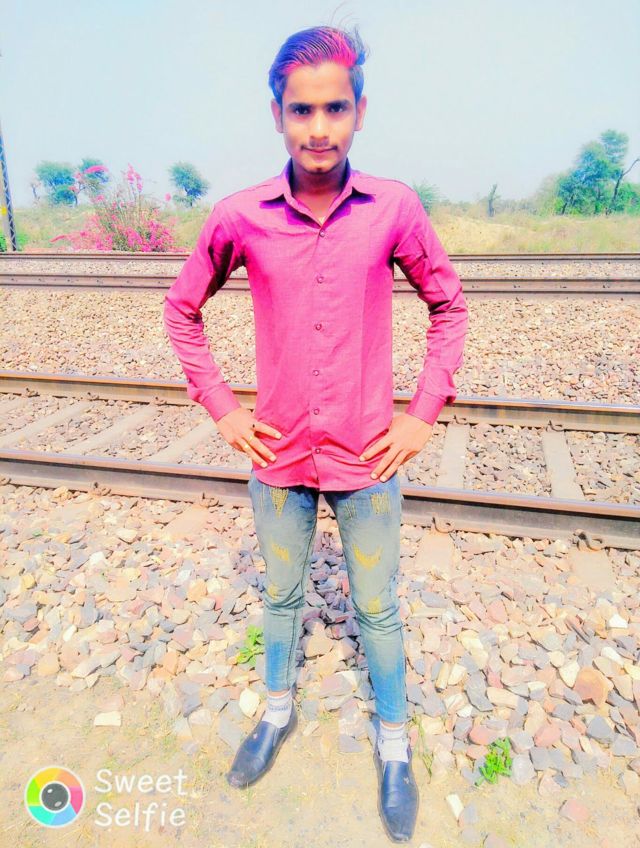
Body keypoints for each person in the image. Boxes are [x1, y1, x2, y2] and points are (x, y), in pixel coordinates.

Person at [163, 23, 468, 844]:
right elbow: (182, 310)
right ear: (277, 115)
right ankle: (276, 713)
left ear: (361, 110)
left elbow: (449, 306)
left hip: (367, 457)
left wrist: (420, 414)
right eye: (302, 110)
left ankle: (395, 746)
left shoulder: (394, 209)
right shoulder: (240, 216)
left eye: (336, 107)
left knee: (377, 607)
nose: (320, 127)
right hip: (280, 456)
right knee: (281, 597)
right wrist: (224, 407)